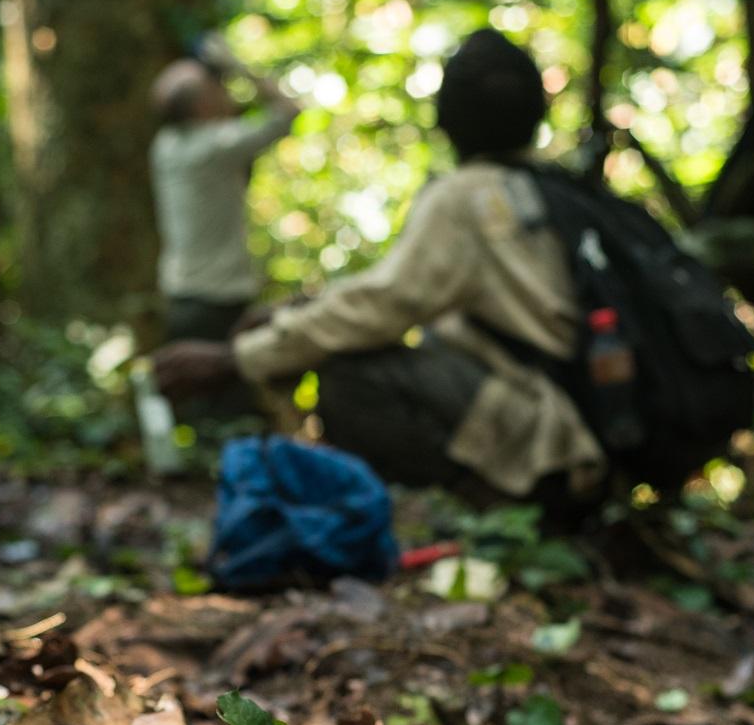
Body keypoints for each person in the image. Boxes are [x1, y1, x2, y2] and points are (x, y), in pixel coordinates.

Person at [152, 28, 604, 509]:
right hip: (576, 418)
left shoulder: (465, 197)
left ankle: (472, 502)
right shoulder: (559, 191)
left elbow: (383, 306)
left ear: (447, 118)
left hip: (546, 431)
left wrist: (238, 359)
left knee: (350, 372)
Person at [150, 33, 301, 344]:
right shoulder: (216, 146)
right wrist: (238, 67)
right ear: (204, 104)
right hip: (218, 301)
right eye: (217, 87)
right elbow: (289, 111)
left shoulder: (164, 147)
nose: (226, 92)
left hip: (182, 294)